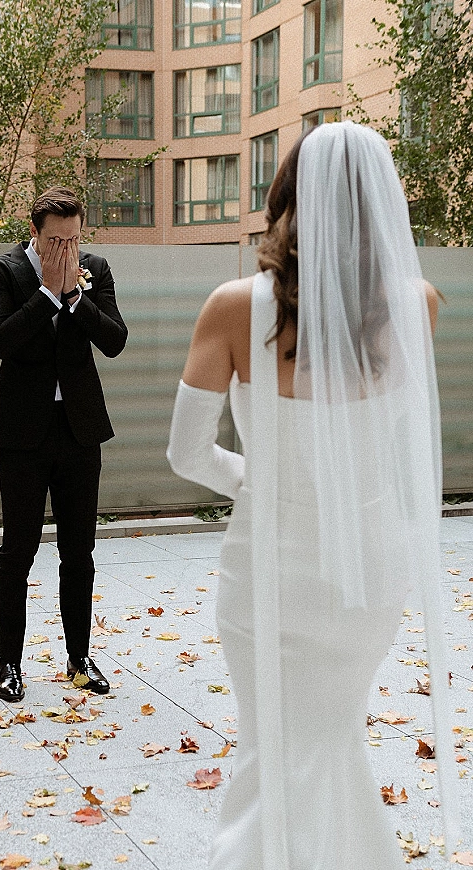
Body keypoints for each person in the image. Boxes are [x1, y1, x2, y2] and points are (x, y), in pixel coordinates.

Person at [167, 122, 461, 869]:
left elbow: (186, 453)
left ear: (286, 194)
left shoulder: (234, 306)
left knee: (274, 743)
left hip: (269, 569)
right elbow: (395, 452)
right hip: (368, 566)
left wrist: (263, 487)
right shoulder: (417, 303)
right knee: (332, 738)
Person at [0, 186, 127, 703]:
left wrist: (72, 297)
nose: (66, 250)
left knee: (78, 551)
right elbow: (0, 340)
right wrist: (45, 294)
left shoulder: (96, 270)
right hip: (23, 433)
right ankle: (9, 663)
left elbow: (114, 339)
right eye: (55, 240)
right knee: (18, 549)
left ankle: (80, 657)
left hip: (80, 429)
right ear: (35, 233)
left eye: (74, 238)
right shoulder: (0, 272)